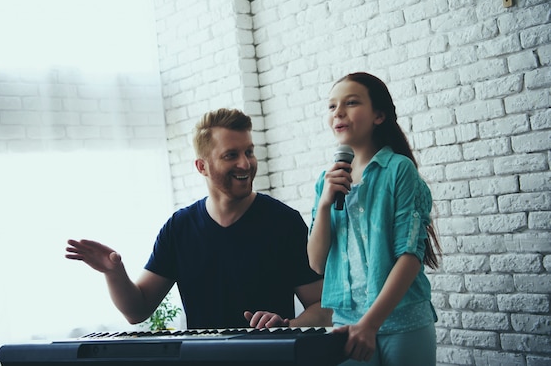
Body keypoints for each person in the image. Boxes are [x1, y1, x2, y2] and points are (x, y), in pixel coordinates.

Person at [66, 108, 331, 330]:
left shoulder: (283, 222)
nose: (246, 164)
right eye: (231, 155)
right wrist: (114, 273)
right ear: (202, 166)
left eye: (249, 152)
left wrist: (286, 326)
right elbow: (137, 310)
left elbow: (323, 307)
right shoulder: (178, 228)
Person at [307, 72, 441, 365]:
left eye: (351, 102)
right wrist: (326, 203)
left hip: (403, 322)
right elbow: (317, 263)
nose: (338, 112)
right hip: (346, 324)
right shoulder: (326, 181)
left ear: (379, 115)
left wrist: (370, 323)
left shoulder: (398, 170)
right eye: (331, 106)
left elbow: (409, 255)